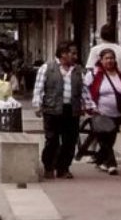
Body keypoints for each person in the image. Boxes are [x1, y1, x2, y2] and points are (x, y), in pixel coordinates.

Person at [32, 41, 88, 180]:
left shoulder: (78, 70)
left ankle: (63, 168)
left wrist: (88, 106)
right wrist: (37, 105)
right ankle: (49, 167)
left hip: (71, 110)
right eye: (72, 53)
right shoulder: (47, 68)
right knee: (52, 140)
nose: (75, 56)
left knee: (70, 141)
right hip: (52, 109)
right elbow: (39, 88)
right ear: (63, 54)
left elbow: (84, 90)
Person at [84, 48, 121, 175]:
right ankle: (112, 165)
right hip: (101, 113)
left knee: (112, 139)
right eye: (106, 58)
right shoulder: (93, 75)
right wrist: (90, 108)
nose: (110, 61)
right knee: (106, 141)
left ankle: (100, 160)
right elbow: (85, 92)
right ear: (101, 61)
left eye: (112, 58)